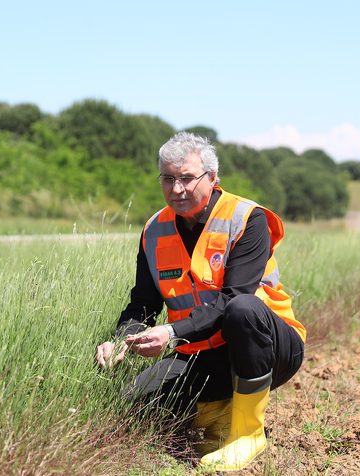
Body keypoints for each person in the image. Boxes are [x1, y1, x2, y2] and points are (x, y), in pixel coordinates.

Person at [95, 132, 306, 471]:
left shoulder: (246, 219)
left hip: (269, 347)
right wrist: (122, 339)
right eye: (168, 178)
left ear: (212, 178)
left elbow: (234, 298)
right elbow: (143, 304)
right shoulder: (153, 230)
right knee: (129, 405)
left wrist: (170, 332)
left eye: (187, 178)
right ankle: (217, 410)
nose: (177, 189)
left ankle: (247, 433)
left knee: (243, 309)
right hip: (200, 353)